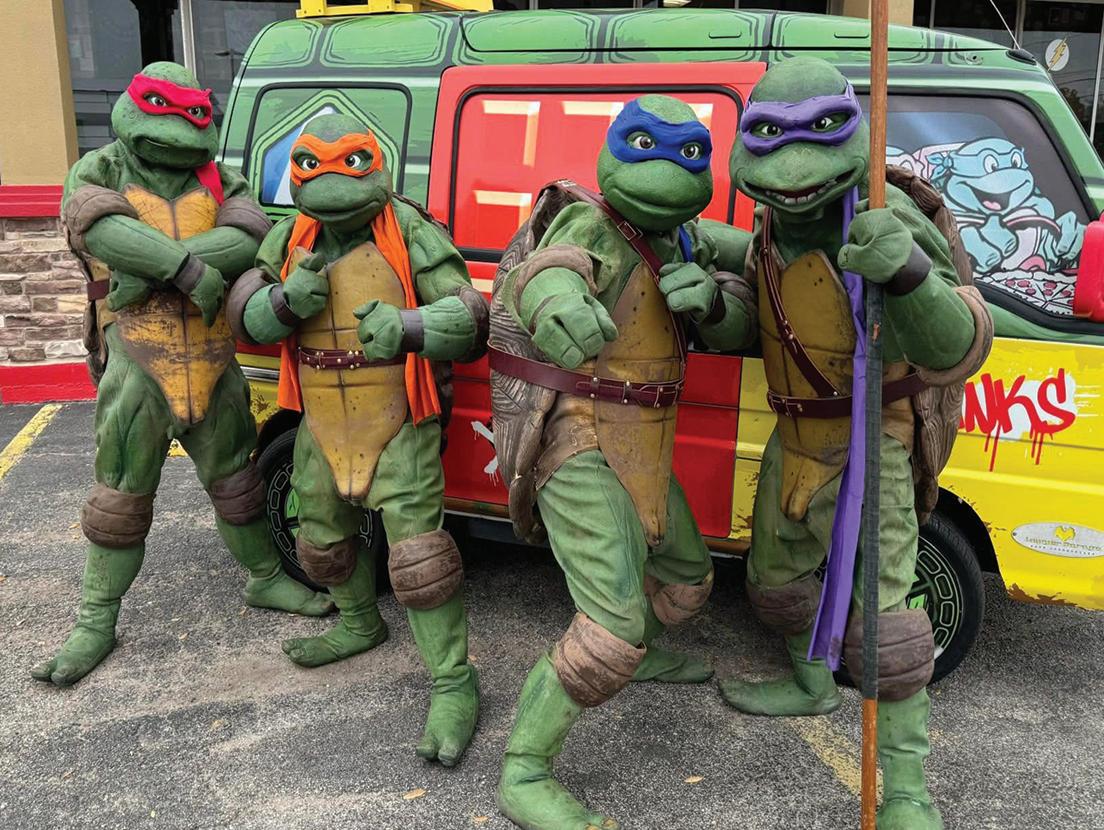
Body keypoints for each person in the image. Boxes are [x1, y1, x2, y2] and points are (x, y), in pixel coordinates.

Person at [712, 57, 992, 829]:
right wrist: (709, 298)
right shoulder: (768, 229)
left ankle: (907, 792)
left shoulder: (884, 214)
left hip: (876, 442)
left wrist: (908, 274)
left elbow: (959, 344)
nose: (794, 171)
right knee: (773, 580)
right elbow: (760, 315)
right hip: (796, 436)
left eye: (819, 134)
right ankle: (810, 682)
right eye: (769, 138)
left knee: (888, 626)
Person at [488, 95, 749, 830]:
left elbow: (748, 278)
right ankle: (525, 769)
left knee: (688, 577)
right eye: (644, 148)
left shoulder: (683, 237)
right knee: (607, 626)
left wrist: (717, 302)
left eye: (687, 155)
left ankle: (644, 649)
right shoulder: (589, 219)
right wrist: (557, 303)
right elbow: (550, 269)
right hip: (580, 438)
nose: (664, 171)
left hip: (645, 442)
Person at [33, 63, 333, 688]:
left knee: (239, 484)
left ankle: (265, 578)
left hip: (215, 363)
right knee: (119, 499)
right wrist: (192, 271)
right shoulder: (100, 169)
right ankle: (95, 620)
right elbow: (100, 230)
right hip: (137, 365)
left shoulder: (221, 178)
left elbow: (249, 238)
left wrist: (151, 270)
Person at [227, 114, 487, 767]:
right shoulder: (291, 235)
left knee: (421, 562)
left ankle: (453, 682)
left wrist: (409, 326)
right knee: (319, 537)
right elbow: (245, 316)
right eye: (312, 166)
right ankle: (359, 622)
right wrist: (286, 300)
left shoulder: (411, 231)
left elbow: (471, 318)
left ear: (378, 164)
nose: (332, 184)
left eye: (351, 163)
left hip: (398, 420)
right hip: (319, 420)